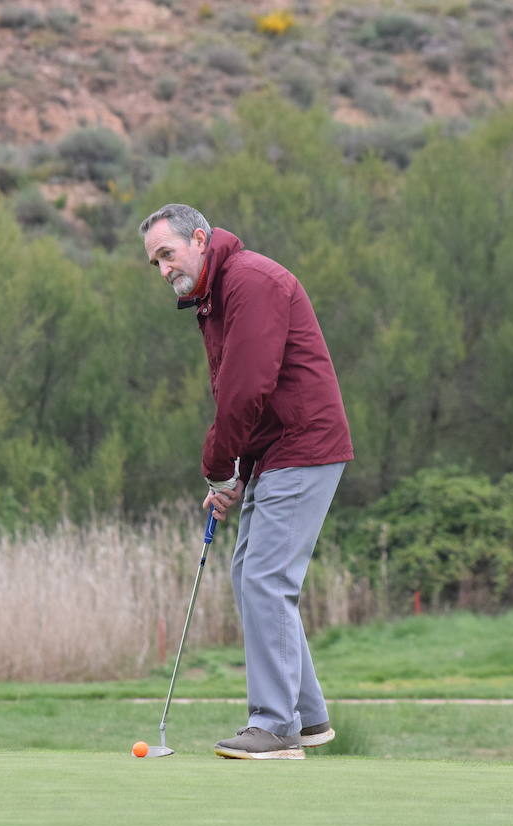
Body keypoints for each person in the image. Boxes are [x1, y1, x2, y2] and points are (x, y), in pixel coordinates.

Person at [139, 203, 354, 760]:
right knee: (249, 574)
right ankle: (307, 718)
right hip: (279, 450)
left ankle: (275, 725)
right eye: (154, 262)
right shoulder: (214, 295)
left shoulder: (250, 282)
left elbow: (244, 388)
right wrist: (232, 474)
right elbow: (246, 398)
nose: (163, 270)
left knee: (265, 576)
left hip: (304, 444)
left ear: (201, 239)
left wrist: (218, 465)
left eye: (167, 254)